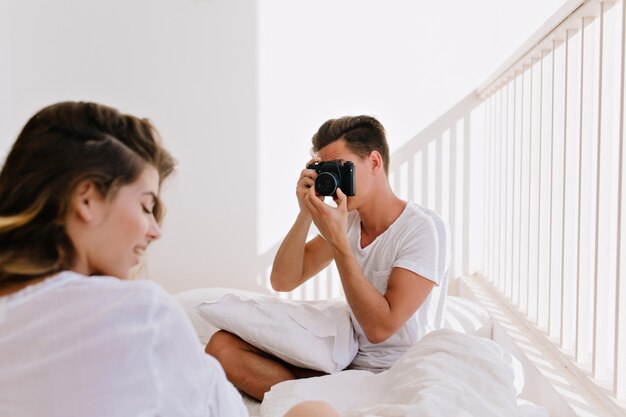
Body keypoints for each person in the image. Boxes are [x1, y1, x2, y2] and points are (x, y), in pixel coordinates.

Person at [0, 101, 339, 417]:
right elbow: (283, 281)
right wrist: (309, 217)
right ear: (87, 199)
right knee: (315, 411)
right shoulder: (140, 314)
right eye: (146, 206)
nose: (154, 232)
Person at [207, 115, 448, 401]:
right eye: (327, 170)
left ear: (374, 162)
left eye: (341, 167)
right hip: (348, 361)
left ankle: (312, 402)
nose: (335, 181)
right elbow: (283, 280)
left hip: (396, 370)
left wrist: (338, 243)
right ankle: (314, 402)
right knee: (221, 346)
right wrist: (305, 213)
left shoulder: (422, 228)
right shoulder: (349, 221)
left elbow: (380, 328)